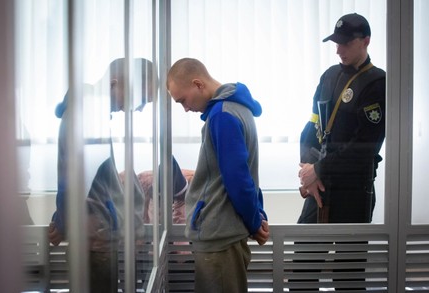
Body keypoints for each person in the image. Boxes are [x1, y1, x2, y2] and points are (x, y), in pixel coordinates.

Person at [295, 13, 386, 291]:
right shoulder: (329, 75)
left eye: (346, 43)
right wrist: (308, 171)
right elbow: (312, 126)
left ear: (366, 41)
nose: (339, 49)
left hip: (353, 192)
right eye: (336, 42)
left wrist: (319, 169)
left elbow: (365, 147)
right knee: (301, 269)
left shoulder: (377, 83)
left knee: (346, 277)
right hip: (320, 188)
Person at [48, 58, 154, 293]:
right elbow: (74, 179)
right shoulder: (87, 115)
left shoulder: (88, 112)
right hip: (94, 239)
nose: (139, 108)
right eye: (140, 99)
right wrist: (62, 220)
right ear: (114, 84)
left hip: (97, 234)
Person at [167, 57, 270, 293]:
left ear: (198, 84)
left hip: (218, 237)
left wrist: (255, 221)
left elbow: (238, 178)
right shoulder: (237, 109)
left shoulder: (222, 116)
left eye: (183, 100)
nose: (185, 108)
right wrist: (256, 213)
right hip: (223, 233)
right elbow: (245, 173)